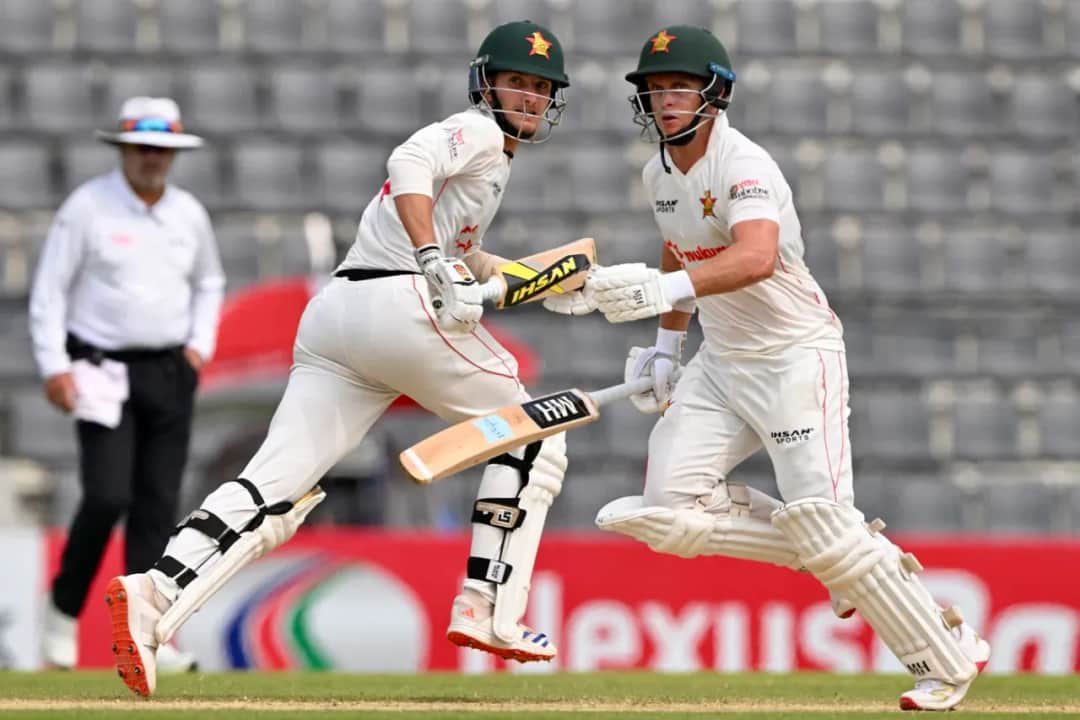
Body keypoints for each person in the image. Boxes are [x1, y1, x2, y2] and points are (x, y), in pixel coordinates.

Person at [105, 21, 585, 697]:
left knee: (273, 486)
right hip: (398, 304)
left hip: (338, 318)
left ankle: (155, 591)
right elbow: (408, 164)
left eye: (541, 87)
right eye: (518, 82)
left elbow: (468, 255)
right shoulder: (477, 132)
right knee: (537, 435)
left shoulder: (489, 166)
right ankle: (488, 606)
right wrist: (430, 258)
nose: (530, 97)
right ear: (486, 85)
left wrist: (552, 283)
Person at [582, 26, 991, 712]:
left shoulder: (746, 164)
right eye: (654, 89)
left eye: (680, 86)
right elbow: (678, 246)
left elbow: (756, 256)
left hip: (795, 358)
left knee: (825, 522)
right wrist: (665, 344)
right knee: (669, 509)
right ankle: (832, 554)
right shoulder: (659, 173)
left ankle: (947, 659)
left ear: (715, 93)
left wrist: (667, 291)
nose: (665, 100)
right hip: (722, 362)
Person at [29, 96, 224, 672]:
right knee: (107, 496)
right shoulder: (87, 207)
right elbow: (49, 292)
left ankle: (152, 636)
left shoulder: (188, 213)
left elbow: (209, 282)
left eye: (161, 149)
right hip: (100, 370)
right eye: (142, 147)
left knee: (157, 506)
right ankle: (63, 610)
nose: (151, 158)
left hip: (169, 370)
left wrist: (200, 345)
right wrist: (53, 366)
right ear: (123, 149)